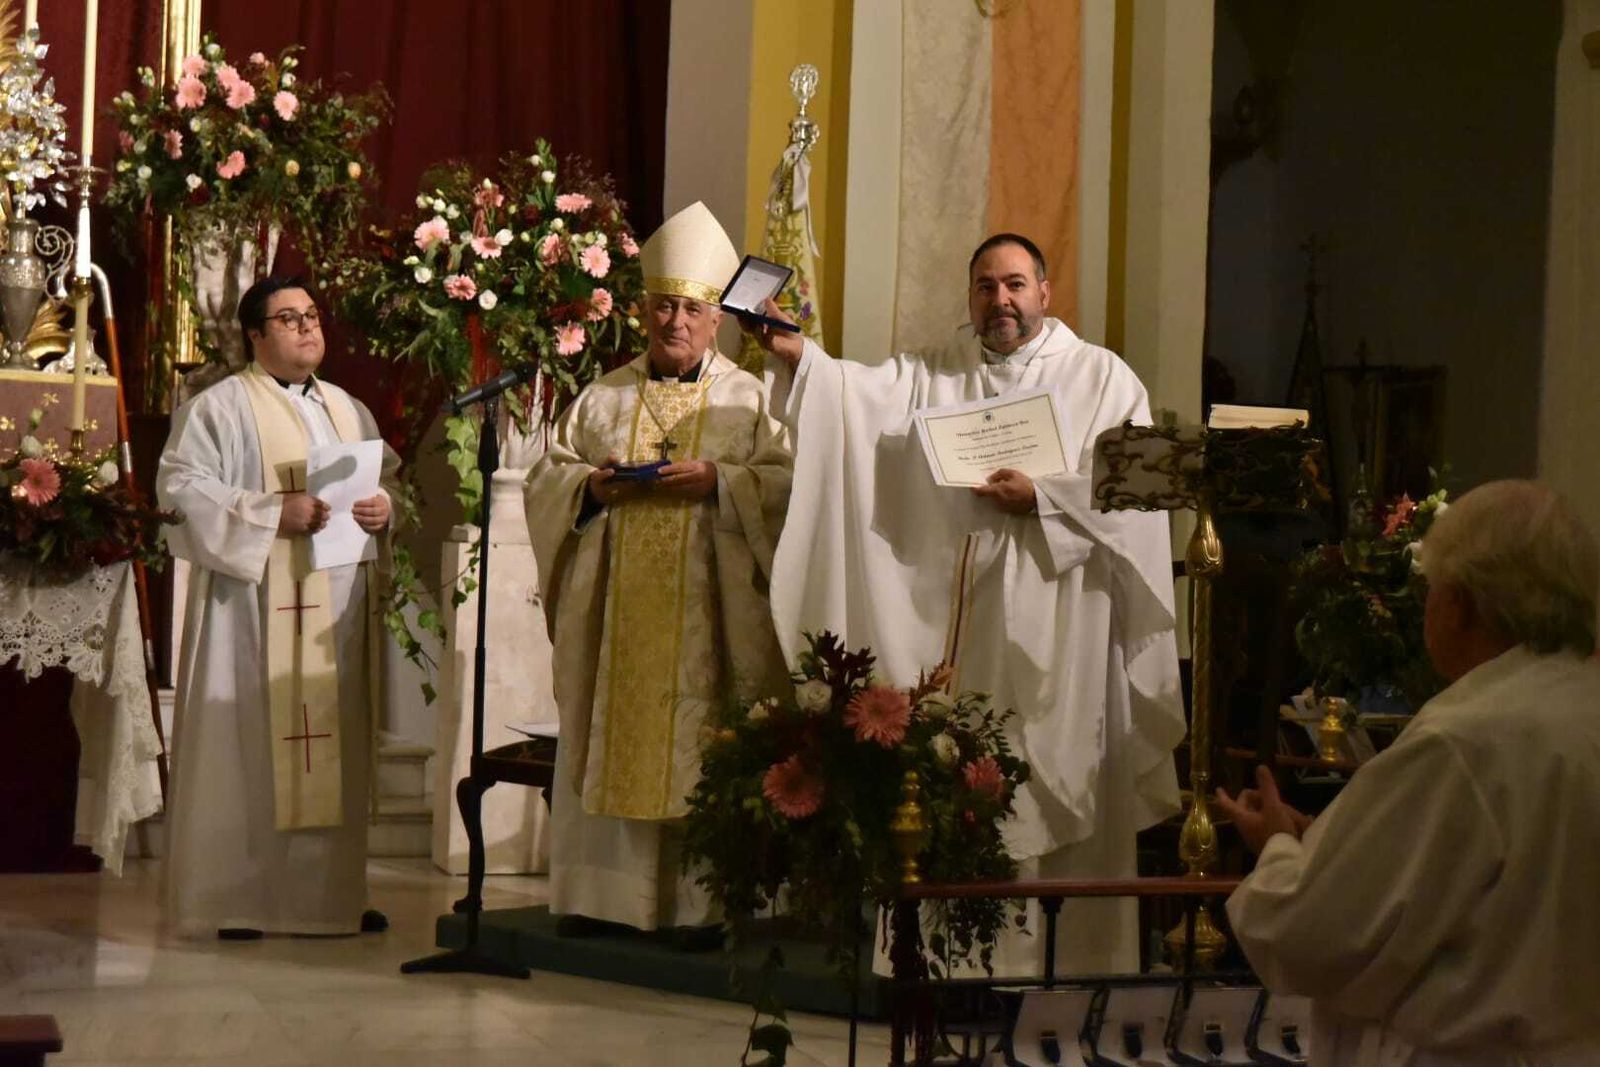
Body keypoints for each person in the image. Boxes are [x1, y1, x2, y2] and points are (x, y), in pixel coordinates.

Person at [747, 233, 1186, 975]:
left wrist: (1044, 496)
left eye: (1015, 285)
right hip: (963, 629)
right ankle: (953, 967)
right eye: (985, 286)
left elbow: (1143, 489)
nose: (1001, 300)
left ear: (1046, 292)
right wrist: (800, 358)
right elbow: (858, 401)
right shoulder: (934, 372)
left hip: (1066, 630)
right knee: (958, 774)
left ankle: (1074, 965)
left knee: (1065, 780)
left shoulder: (1101, 378)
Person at [1218, 480, 1600, 1066]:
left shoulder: (1466, 738)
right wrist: (1331, 843)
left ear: (1460, 604)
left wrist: (1278, 850)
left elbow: (1309, 936)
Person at [524, 201, 792, 941]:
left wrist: (722, 482)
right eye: (664, 305)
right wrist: (592, 488)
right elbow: (551, 474)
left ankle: (704, 905)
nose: (676, 321)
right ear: (644, 312)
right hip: (617, 619)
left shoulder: (749, 397)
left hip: (713, 613)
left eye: (693, 308)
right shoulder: (603, 395)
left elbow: (785, 483)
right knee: (615, 728)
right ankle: (606, 899)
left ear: (716, 319)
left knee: (705, 738)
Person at [158, 275, 400, 938]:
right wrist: (271, 512)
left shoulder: (350, 411)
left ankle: (332, 896)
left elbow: (387, 488)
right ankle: (239, 899)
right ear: (255, 335)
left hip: (336, 613)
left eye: (312, 316)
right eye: (288, 318)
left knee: (332, 749)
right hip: (253, 611)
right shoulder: (220, 407)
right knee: (253, 752)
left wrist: (386, 509)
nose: (306, 328)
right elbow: (177, 491)